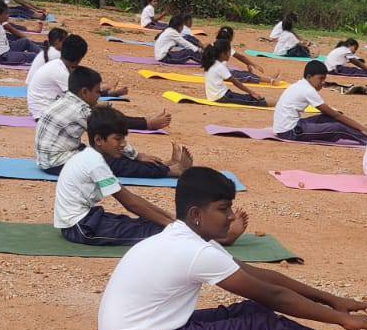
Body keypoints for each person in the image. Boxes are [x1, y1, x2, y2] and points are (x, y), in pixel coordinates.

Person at [95, 168, 367, 330]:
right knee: (258, 326)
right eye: (223, 209)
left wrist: (332, 300)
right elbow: (273, 295)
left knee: (250, 312)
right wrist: (342, 318)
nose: (230, 217)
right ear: (197, 214)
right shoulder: (194, 251)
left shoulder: (185, 238)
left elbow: (260, 275)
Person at [53, 109, 184, 247]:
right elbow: (130, 203)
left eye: (123, 138)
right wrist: (170, 224)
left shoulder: (92, 157)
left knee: (146, 223)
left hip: (83, 219)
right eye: (118, 138)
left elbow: (131, 197)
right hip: (80, 227)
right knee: (155, 231)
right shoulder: (95, 163)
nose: (123, 144)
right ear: (98, 140)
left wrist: (169, 216)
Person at [36, 66, 186, 177]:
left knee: (109, 152)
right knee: (114, 162)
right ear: (84, 92)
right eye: (97, 92)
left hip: (53, 158)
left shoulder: (66, 100)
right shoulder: (80, 111)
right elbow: (109, 126)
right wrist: (136, 155)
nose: (99, 97)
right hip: (56, 163)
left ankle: (161, 165)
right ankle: (170, 171)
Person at [270, 62, 367, 144]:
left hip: (286, 128)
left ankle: (364, 135)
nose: (323, 82)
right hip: (290, 132)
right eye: (321, 78)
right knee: (338, 127)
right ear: (309, 77)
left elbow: (332, 115)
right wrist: (364, 129)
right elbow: (336, 116)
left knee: (328, 118)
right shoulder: (308, 90)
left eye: (324, 78)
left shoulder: (300, 84)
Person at [201, 37, 267, 106]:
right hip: (222, 97)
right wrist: (252, 92)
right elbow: (235, 82)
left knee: (248, 97)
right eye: (229, 52)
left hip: (217, 96)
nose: (230, 55)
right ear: (223, 53)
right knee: (259, 101)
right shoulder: (220, 66)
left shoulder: (211, 62)